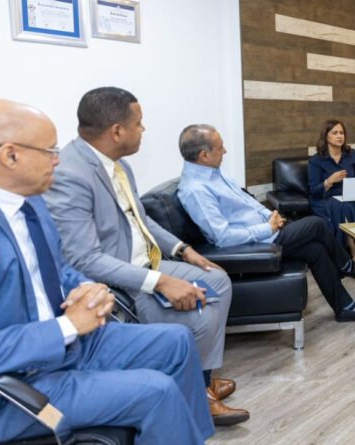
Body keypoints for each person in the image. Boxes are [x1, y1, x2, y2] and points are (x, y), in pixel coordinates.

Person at [0, 99, 214, 444]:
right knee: (155, 391)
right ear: (10, 155)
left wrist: (87, 288)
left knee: (176, 341)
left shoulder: (31, 201)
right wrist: (68, 326)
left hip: (69, 348)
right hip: (11, 389)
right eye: (50, 151)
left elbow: (60, 268)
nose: (58, 160)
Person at [43, 87, 248, 425]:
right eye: (138, 123)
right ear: (117, 131)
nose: (143, 129)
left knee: (217, 279)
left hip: (147, 261)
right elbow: (84, 259)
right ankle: (197, 392)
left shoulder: (118, 165)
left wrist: (183, 250)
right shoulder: (71, 174)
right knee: (201, 317)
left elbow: (141, 218)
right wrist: (161, 281)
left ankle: (202, 380)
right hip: (120, 280)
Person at [177, 124, 355, 323]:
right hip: (255, 243)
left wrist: (271, 214)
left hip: (268, 230)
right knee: (316, 224)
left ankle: (345, 308)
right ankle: (348, 265)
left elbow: (248, 201)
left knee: (315, 250)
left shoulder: (216, 175)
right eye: (220, 147)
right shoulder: (195, 190)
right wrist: (268, 228)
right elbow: (222, 237)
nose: (225, 151)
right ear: (204, 155)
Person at [308, 119, 355, 262]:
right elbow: (314, 191)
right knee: (345, 207)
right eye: (335, 133)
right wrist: (329, 181)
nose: (339, 136)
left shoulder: (353, 155)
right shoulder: (316, 160)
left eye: (341, 133)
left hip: (348, 196)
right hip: (325, 199)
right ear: (326, 136)